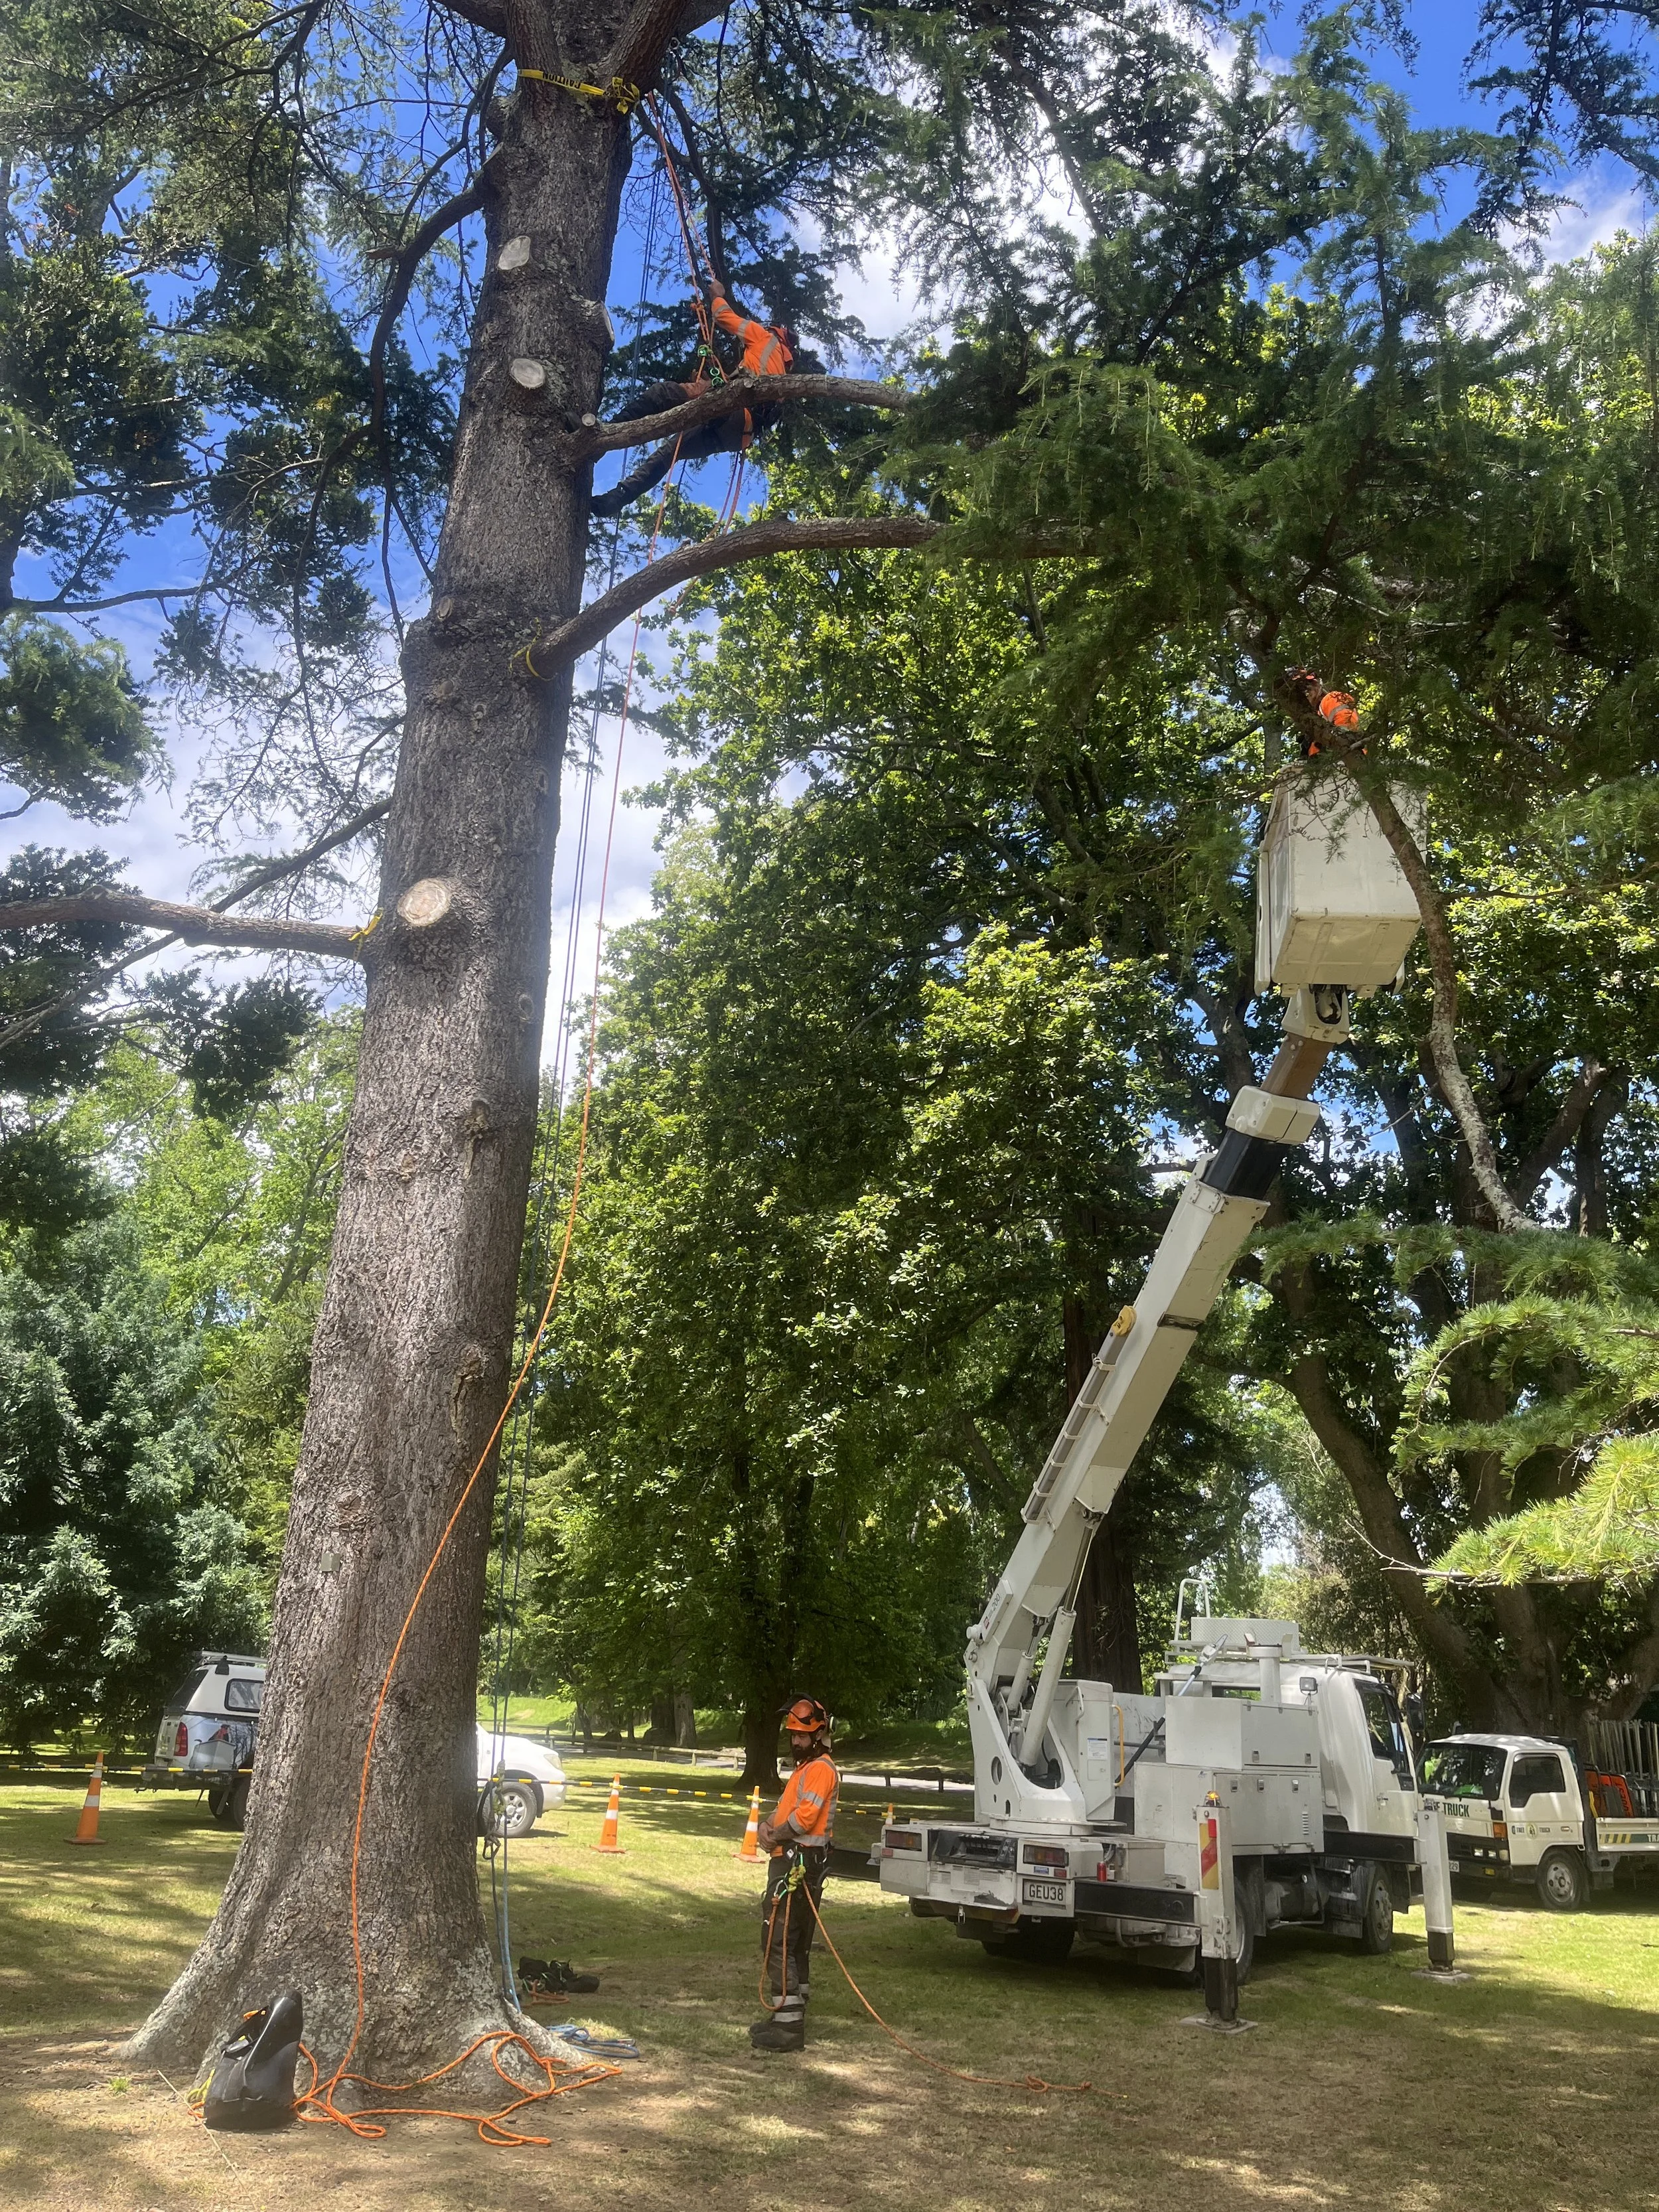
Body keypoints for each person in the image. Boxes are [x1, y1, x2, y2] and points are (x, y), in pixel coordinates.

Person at [589, 287, 796, 518]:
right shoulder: (782, 378)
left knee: (663, 394)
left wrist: (717, 295)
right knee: (671, 452)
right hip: (739, 436)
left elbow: (723, 316)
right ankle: (615, 500)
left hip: (734, 409)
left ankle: (604, 438)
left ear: (775, 332)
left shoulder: (765, 338)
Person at [749, 1696, 838, 2054]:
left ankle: (789, 2027)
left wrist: (774, 1834)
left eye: (802, 1736)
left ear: (819, 1735)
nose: (796, 1742)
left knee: (779, 1939)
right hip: (798, 1862)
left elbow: (803, 1820)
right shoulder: (806, 1769)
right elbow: (788, 1809)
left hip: (798, 1863)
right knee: (794, 1942)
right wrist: (765, 1827)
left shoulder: (820, 1769)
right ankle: (790, 2012)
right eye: (793, 1735)